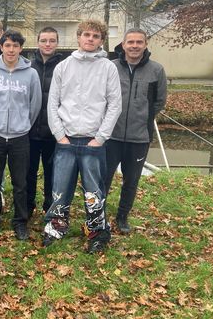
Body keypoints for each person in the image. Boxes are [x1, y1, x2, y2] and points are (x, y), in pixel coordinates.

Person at [43, 19, 122, 253]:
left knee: (93, 191)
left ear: (101, 41)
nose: (90, 39)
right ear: (78, 37)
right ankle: (56, 226)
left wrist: (101, 138)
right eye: (86, 34)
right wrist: (59, 135)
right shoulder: (64, 66)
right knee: (60, 188)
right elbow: (52, 103)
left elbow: (114, 105)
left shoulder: (108, 68)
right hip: (66, 140)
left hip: (93, 142)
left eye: (96, 36)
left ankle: (97, 232)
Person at [0, 30, 42, 240]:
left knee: (20, 182)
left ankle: (20, 222)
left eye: (15, 45)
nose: (11, 49)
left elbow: (35, 106)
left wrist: (22, 125)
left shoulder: (31, 74)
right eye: (7, 45)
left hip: (19, 137)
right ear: (1, 47)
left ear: (21, 48)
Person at [104, 28, 167, 234]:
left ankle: (122, 216)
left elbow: (159, 102)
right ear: (123, 45)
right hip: (110, 136)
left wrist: (142, 118)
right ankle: (99, 215)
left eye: (139, 42)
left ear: (145, 44)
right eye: (130, 42)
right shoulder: (110, 67)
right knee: (103, 179)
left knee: (131, 182)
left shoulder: (156, 70)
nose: (134, 46)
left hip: (139, 138)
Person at [27, 27, 64, 217]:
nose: (47, 44)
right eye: (43, 40)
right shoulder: (28, 65)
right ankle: (27, 206)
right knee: (29, 173)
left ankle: (50, 208)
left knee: (52, 174)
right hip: (30, 131)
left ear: (57, 43)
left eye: (51, 40)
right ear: (38, 42)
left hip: (53, 133)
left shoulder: (64, 67)